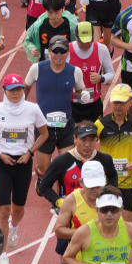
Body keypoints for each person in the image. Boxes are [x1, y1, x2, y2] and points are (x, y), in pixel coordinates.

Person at [0, 73, 49, 264]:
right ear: (4, 91)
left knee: (18, 210)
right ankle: (2, 257)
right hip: (2, 163)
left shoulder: (32, 109)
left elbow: (44, 134)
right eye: (11, 90)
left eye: (18, 89)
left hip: (23, 162)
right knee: (3, 210)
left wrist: (30, 153)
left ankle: (14, 227)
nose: (15, 93)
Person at [24, 34, 88, 185]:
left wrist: (84, 94)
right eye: (55, 50)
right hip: (43, 127)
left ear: (67, 52)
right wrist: (20, 107)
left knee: (66, 167)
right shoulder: (36, 69)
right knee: (43, 169)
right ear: (49, 51)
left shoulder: (75, 71)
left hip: (66, 125)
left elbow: (81, 90)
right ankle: (41, 178)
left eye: (62, 51)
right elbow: (25, 89)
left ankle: (60, 202)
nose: (59, 54)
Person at [94, 84, 132, 221]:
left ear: (130, 102)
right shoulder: (100, 124)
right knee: (105, 221)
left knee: (127, 224)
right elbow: (87, 145)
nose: (118, 106)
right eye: (115, 102)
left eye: (122, 102)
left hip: (129, 182)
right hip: (106, 181)